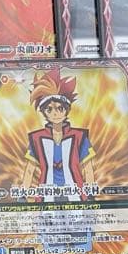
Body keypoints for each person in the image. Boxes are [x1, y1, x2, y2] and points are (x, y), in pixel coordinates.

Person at [21, 70, 96, 202]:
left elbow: (87, 169)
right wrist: (23, 195)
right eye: (49, 109)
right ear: (44, 112)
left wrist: (90, 194)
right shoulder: (36, 138)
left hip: (76, 194)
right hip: (46, 195)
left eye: (59, 108)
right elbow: (29, 170)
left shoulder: (79, 137)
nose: (55, 114)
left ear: (66, 110)